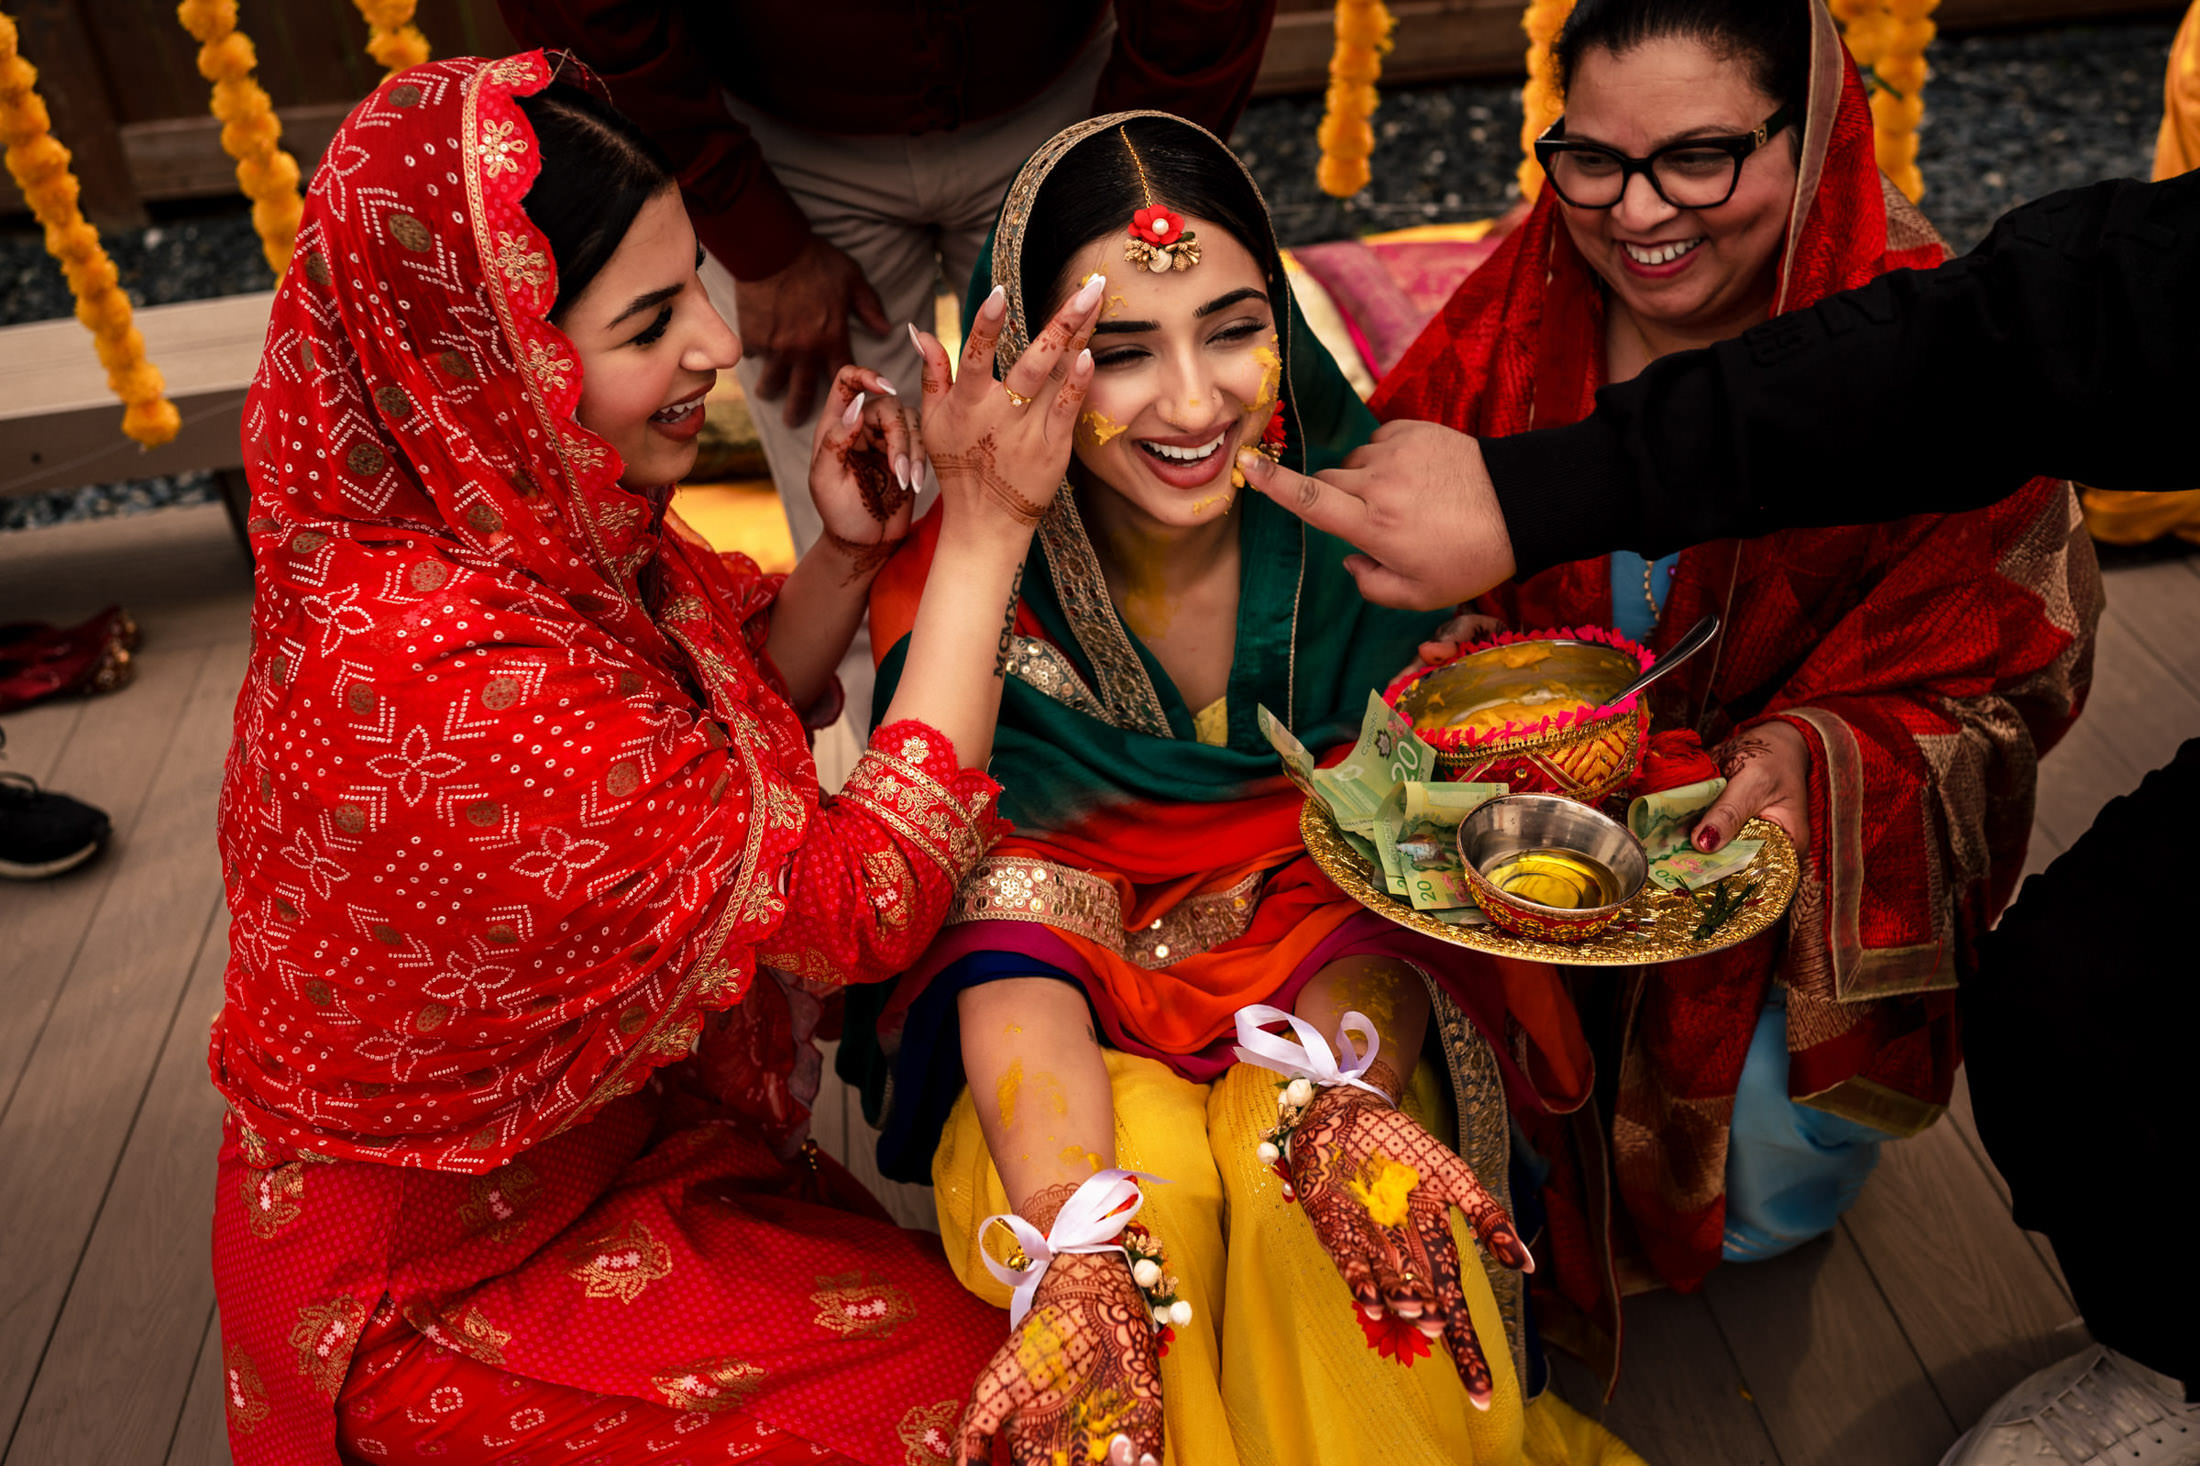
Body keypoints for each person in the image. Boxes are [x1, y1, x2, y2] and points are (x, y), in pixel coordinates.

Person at [1234, 128, 2200, 1466]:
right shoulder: (1517, 317)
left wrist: (1817, 753)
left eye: (1696, 159)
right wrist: (1440, 673)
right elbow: (1360, 584)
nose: (1637, 212)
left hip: (1767, 882)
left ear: (1808, 148)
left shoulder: (1919, 335)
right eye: (1592, 159)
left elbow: (1997, 674)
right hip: (1505, 843)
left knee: (1767, 1174)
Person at [207, 53, 1109, 1465]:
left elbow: (695, 734)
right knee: (990, 1401)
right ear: (495, 363)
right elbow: (852, 903)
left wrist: (848, 558)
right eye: (647, 321)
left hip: (602, 1156)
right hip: (440, 1283)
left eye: (698, 280)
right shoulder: (438, 679)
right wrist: (986, 526)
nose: (715, 344)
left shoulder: (499, 514)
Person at [844, 111, 1642, 1466]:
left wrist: (1339, 1088)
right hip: (1056, 1047)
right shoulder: (971, 588)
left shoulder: (1366, 535)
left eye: (1232, 327)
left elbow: (1381, 879)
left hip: (1338, 1009)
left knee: (1316, 1206)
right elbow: (1003, 924)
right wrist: (1076, 1235)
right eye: (1120, 351)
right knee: (1136, 1222)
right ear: (1030, 357)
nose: (1199, 403)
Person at [496, 0, 1276, 561]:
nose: (713, 348)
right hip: (769, 136)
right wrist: (751, 226)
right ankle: (873, 773)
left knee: (1109, 474)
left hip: (1065, 92)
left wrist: (1120, 169)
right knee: (863, 506)